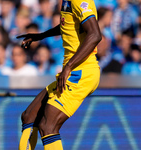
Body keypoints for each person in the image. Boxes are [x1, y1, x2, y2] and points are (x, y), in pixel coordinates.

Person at [17, 0, 102, 149]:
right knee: (29, 116)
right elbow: (69, 26)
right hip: (72, 70)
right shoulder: (66, 1)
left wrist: (69, 66)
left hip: (81, 72)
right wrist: (41, 36)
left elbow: (95, 35)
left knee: (48, 125)